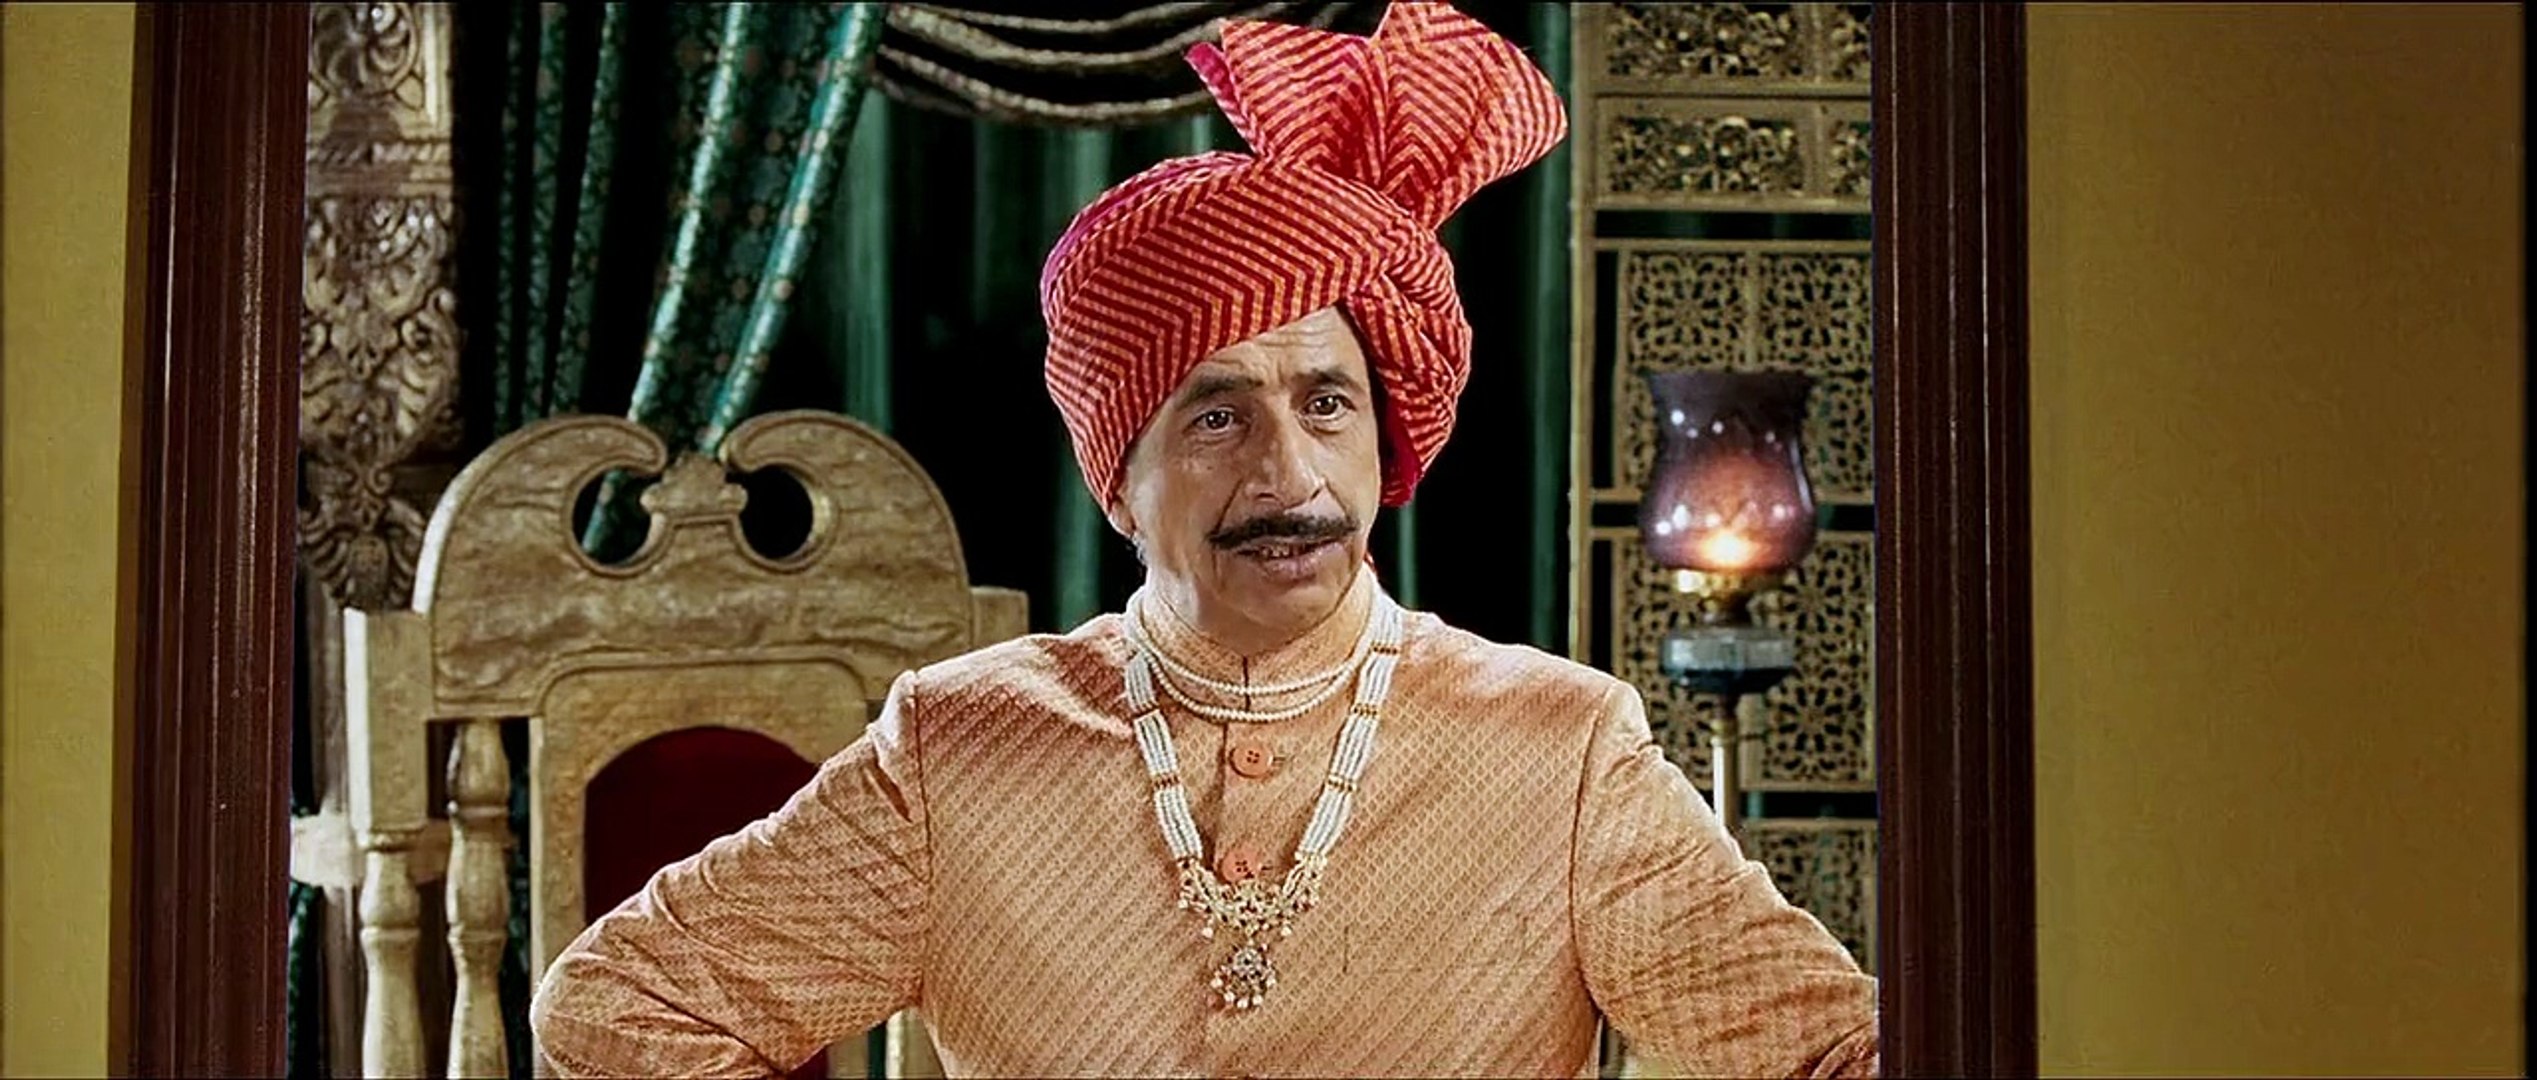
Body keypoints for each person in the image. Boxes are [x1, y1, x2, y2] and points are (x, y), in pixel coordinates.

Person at [530, 4, 1879, 1077]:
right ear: (1118, 479)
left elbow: (1833, 1052)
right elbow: (620, 1009)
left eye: (1327, 404)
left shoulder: (1559, 750)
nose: (1287, 475)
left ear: (1385, 442)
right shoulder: (959, 749)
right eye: (1216, 416)